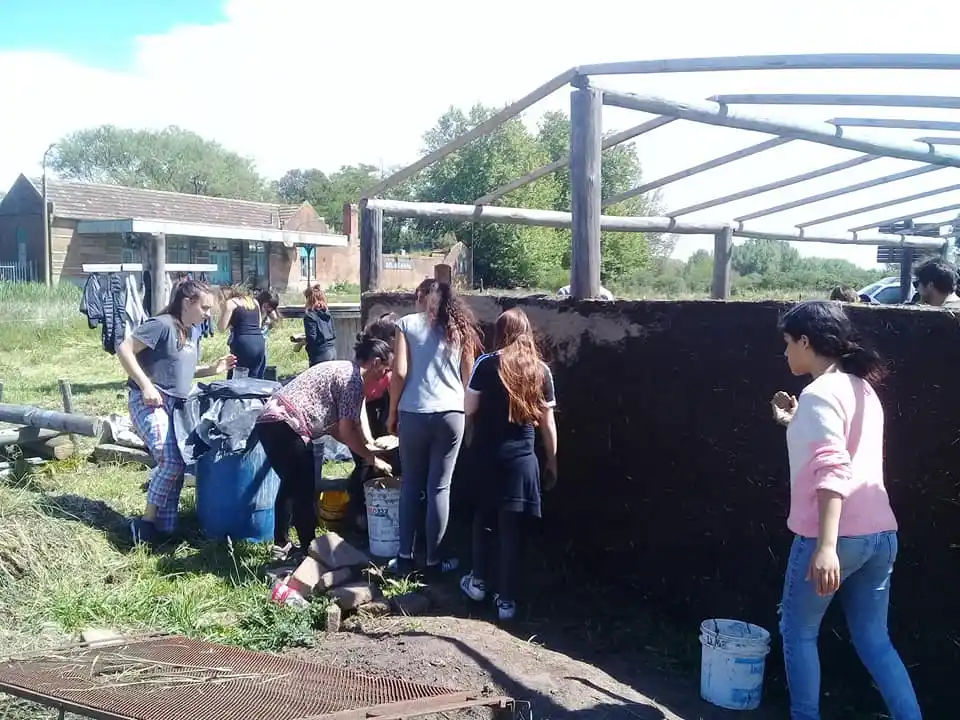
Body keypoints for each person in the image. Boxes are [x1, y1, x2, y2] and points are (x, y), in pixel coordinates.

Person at [770, 301, 921, 720]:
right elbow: (843, 448)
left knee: (797, 632)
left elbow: (833, 471)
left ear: (806, 341)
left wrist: (826, 547)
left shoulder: (819, 393)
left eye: (788, 344)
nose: (785, 354)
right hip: (881, 536)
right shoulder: (861, 387)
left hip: (836, 536)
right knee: (875, 640)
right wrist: (794, 421)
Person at [118, 280, 236, 546]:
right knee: (170, 460)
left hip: (178, 407)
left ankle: (163, 528)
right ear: (187, 302)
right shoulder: (161, 325)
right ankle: (146, 522)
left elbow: (181, 370)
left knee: (178, 465)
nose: (208, 314)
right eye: (205, 307)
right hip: (150, 401)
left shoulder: (192, 332)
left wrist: (212, 369)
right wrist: (145, 385)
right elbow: (124, 349)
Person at [459, 308, 558, 621]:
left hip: (487, 456)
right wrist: (552, 461)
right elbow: (547, 424)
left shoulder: (486, 364)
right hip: (522, 461)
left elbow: (469, 407)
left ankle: (477, 583)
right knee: (511, 531)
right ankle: (506, 603)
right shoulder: (540, 370)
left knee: (482, 519)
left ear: (499, 332)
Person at [256, 335, 394, 558]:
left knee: (290, 484)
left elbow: (336, 429)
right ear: (376, 362)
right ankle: (309, 550)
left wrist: (365, 449)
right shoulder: (353, 380)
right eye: (386, 369)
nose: (385, 376)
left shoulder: (341, 369)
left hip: (268, 421)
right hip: (288, 425)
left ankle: (281, 545)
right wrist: (372, 458)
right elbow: (348, 431)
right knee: (304, 489)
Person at [386, 279, 481, 579]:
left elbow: (399, 372)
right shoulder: (461, 328)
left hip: (413, 412)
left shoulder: (406, 324)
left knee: (411, 485)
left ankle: (404, 558)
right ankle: (434, 561)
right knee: (439, 488)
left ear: (421, 298)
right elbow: (470, 377)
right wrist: (470, 420)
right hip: (452, 413)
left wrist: (391, 413)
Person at [346, 313, 400, 528]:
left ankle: (380, 511)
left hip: (379, 409)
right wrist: (367, 441)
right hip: (362, 410)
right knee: (363, 461)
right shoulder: (368, 365)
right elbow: (357, 409)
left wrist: (392, 426)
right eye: (396, 337)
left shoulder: (391, 359)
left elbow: (393, 391)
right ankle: (359, 514)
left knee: (381, 458)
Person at [218, 286, 267, 378]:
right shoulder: (254, 302)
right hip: (259, 342)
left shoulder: (230, 303)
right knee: (254, 377)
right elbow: (259, 324)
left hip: (243, 344)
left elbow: (221, 328)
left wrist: (223, 311)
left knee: (236, 377)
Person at [303, 285, 337, 365]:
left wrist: (303, 341)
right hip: (332, 351)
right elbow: (332, 332)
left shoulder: (310, 316)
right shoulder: (327, 314)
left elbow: (312, 338)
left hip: (320, 354)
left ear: (309, 299)